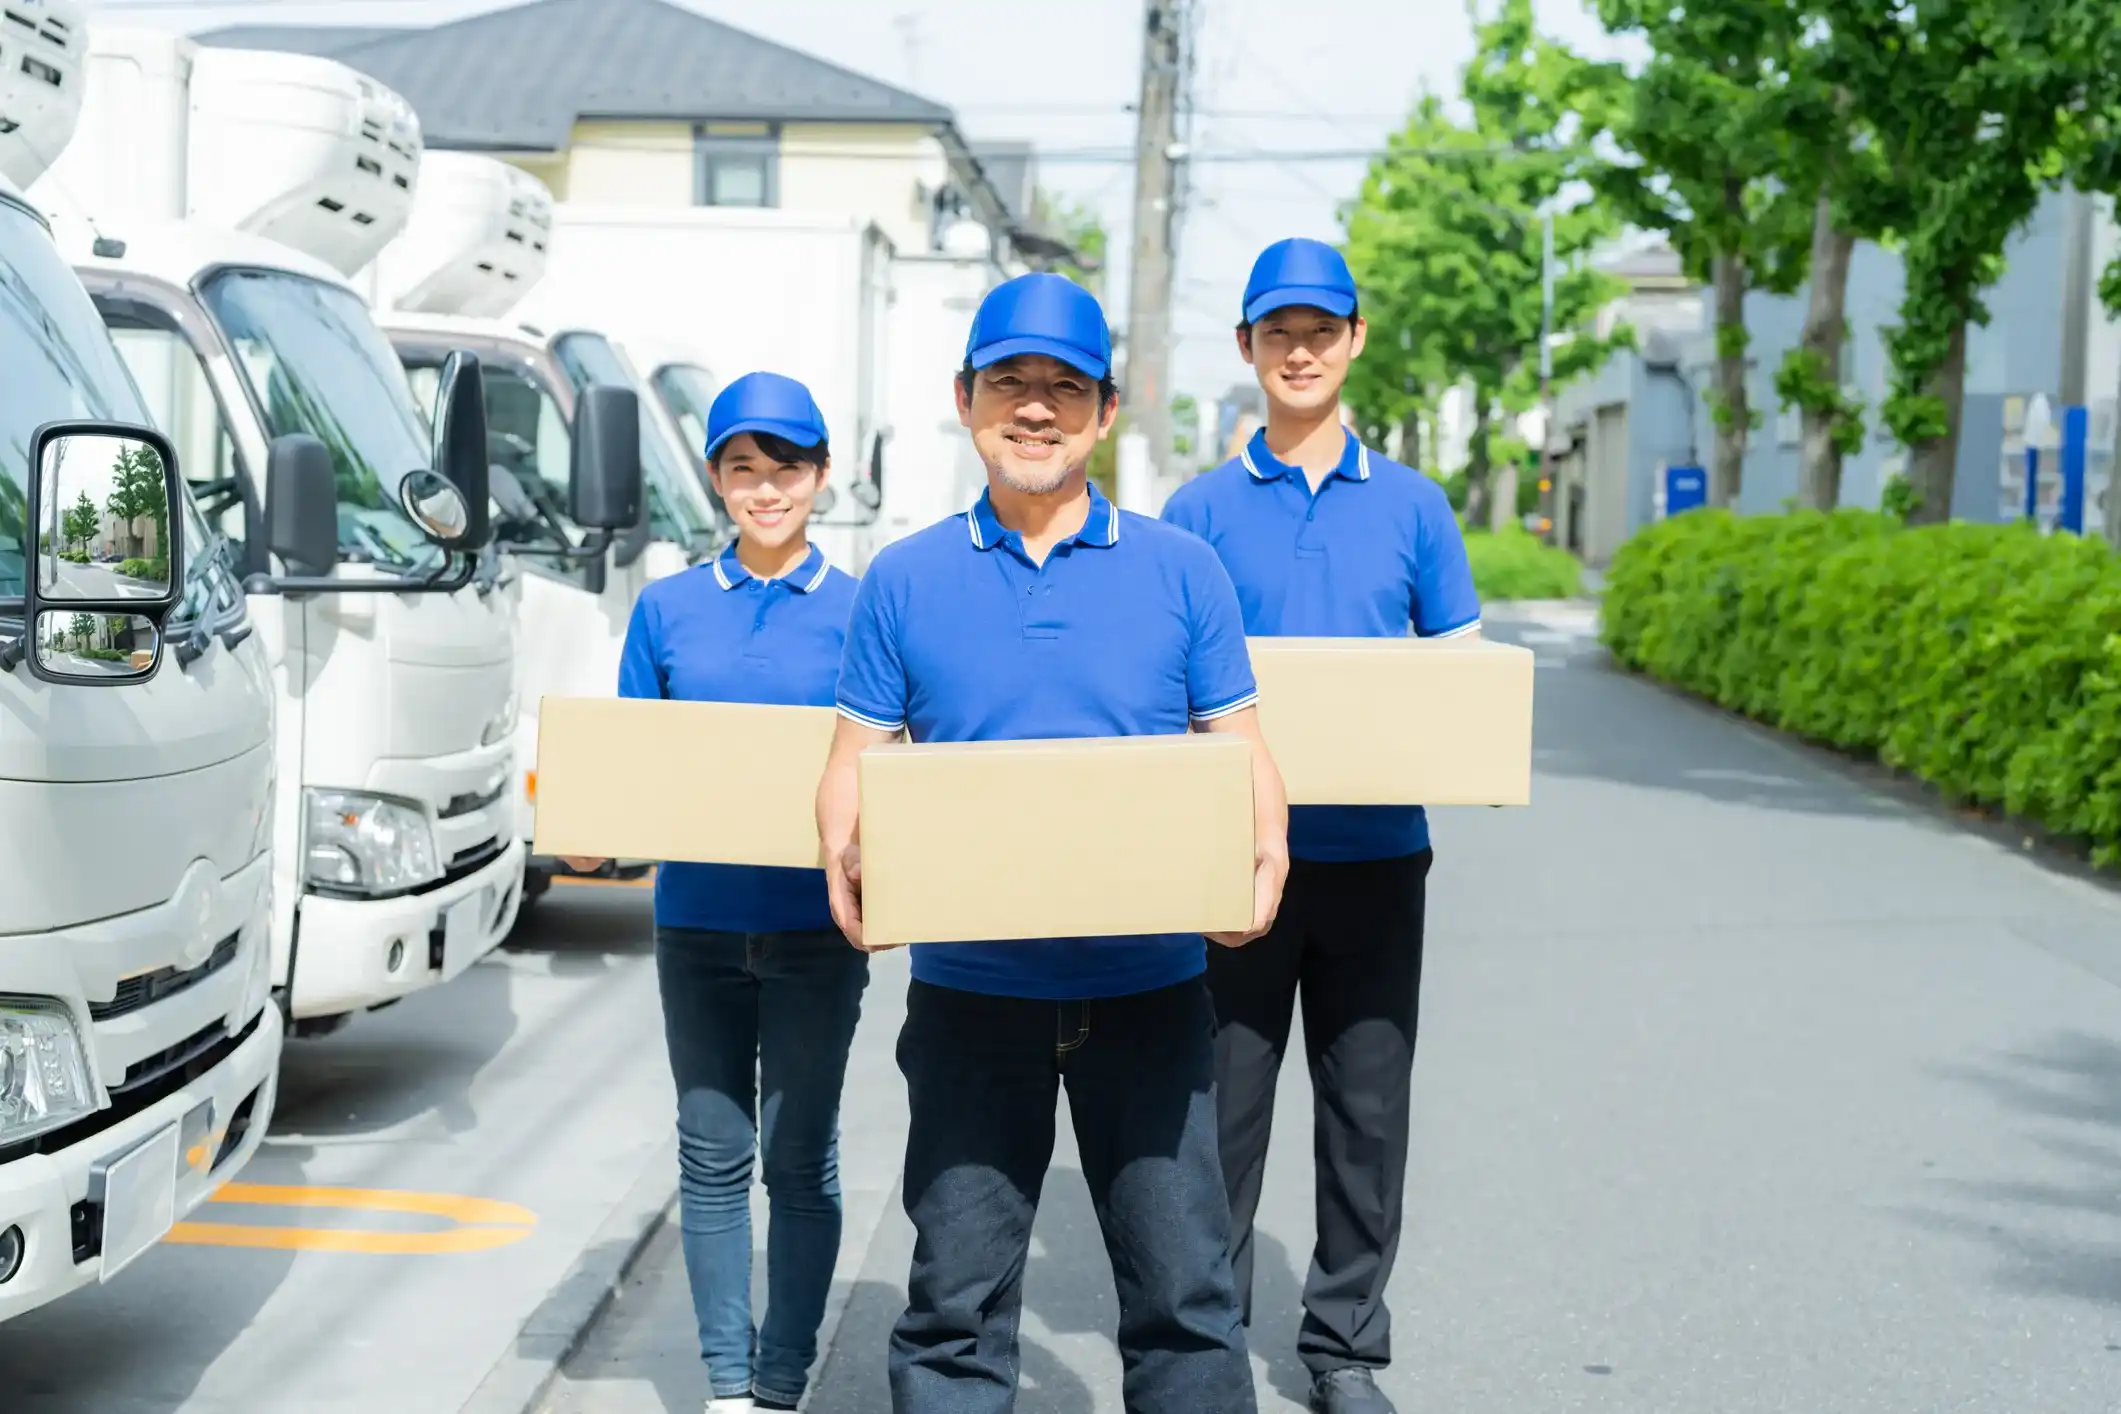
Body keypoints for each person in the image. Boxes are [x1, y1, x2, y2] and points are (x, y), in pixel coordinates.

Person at [814, 271, 1291, 1413]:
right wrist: (848, 866)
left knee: (1187, 1301)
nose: (1036, 408)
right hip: (974, 995)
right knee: (955, 1312)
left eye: (1064, 389)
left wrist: (1259, 869)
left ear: (1105, 412)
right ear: (967, 397)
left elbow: (1250, 756)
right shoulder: (906, 578)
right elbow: (849, 765)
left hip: (1154, 991)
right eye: (1010, 384)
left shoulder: (1181, 569)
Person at [1160, 238, 1482, 1414]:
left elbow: (1461, 683)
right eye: (1277, 332)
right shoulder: (1193, 513)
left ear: (1353, 342)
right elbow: (1165, 687)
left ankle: (1344, 1346)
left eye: (1322, 330)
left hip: (1377, 857)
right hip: (1234, 861)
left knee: (1365, 1112)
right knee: (1219, 1112)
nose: (1300, 350)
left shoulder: (1413, 506)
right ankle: (1205, 1338)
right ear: (1247, 348)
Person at [561, 371, 866, 1414]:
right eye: (744, 468)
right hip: (695, 925)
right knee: (712, 1153)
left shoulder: (863, 611)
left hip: (818, 930)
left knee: (799, 1157)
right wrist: (601, 836)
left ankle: (784, 1378)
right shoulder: (669, 608)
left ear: (822, 478)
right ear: (717, 482)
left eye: (786, 468)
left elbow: (893, 768)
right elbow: (637, 768)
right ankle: (730, 1387)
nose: (766, 488)